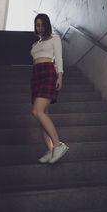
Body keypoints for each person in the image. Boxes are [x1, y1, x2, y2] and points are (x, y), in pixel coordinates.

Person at [30, 13, 69, 164]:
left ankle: (58, 145)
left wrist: (60, 76)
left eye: (42, 24)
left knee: (37, 111)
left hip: (48, 73)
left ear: (47, 25)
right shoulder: (35, 44)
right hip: (36, 76)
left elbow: (58, 58)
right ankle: (51, 149)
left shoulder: (55, 38)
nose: (39, 28)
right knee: (42, 115)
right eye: (37, 25)